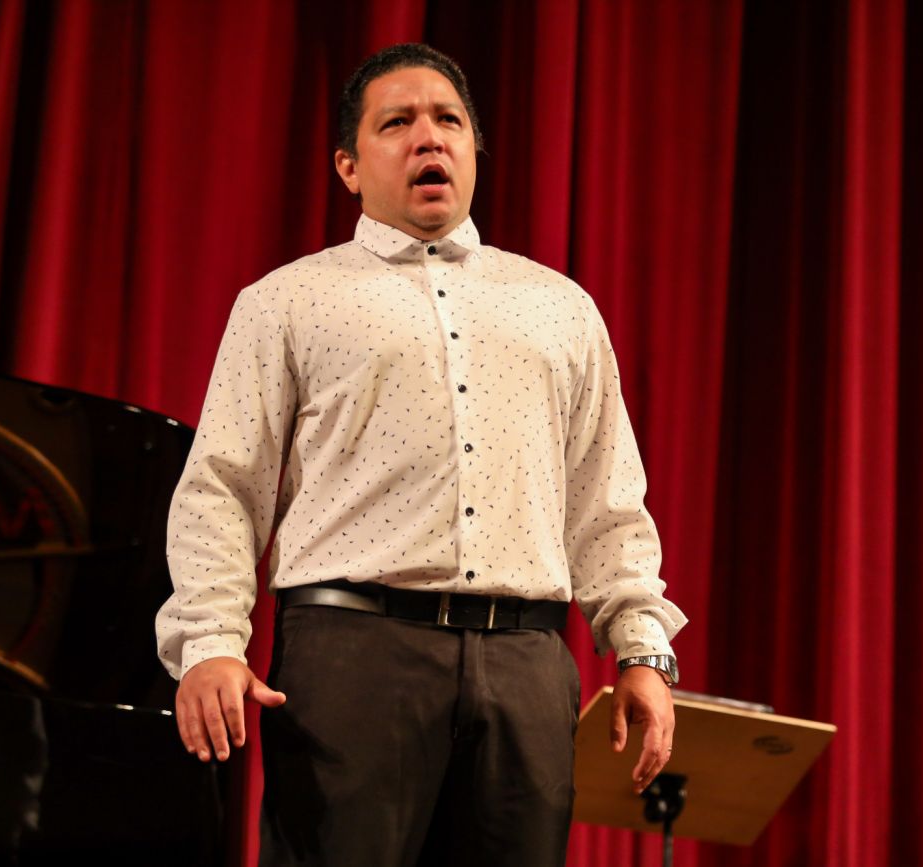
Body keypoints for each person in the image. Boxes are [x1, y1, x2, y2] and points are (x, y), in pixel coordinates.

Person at [155, 43, 686, 866]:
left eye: (448, 121)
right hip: (354, 657)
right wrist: (211, 641)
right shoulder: (286, 302)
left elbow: (605, 500)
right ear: (348, 166)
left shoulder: (561, 309)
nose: (428, 138)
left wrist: (642, 649)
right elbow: (222, 487)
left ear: (474, 150)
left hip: (525, 664)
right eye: (397, 122)